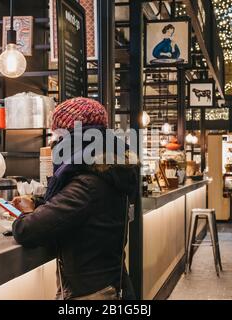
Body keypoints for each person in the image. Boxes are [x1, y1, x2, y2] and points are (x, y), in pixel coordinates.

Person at [11, 97, 138, 300]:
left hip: (92, 293)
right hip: (111, 284)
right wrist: (39, 204)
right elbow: (76, 212)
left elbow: (27, 230)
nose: (54, 143)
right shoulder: (109, 174)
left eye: (57, 135)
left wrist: (25, 213)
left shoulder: (88, 184)